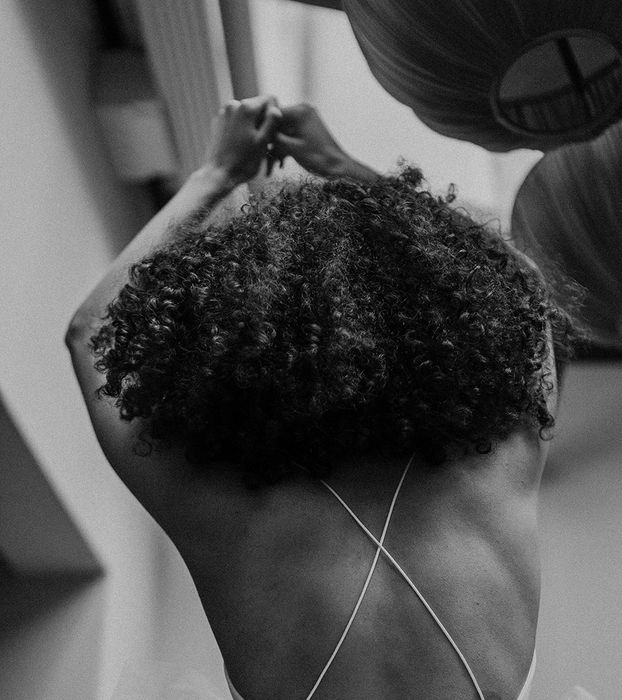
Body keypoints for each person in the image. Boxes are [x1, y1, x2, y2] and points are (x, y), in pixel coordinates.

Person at [66, 95, 578, 699]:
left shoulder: (221, 508)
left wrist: (217, 175)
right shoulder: (497, 468)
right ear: (441, 323)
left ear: (236, 347)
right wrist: (339, 163)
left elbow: (91, 331)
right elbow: (521, 288)